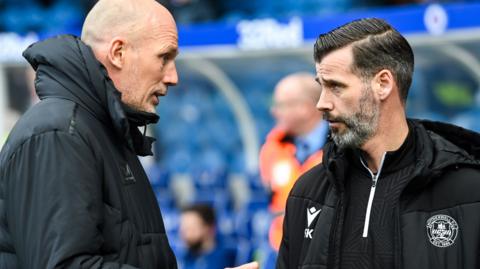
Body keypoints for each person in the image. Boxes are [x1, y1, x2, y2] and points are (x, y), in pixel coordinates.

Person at [0, 1, 259, 268]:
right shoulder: (58, 134)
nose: (173, 77)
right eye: (164, 58)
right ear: (119, 53)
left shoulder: (102, 132)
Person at [276, 18, 480, 269]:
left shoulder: (470, 192)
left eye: (336, 87)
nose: (322, 103)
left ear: (383, 84)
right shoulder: (307, 193)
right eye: (321, 87)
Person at [259, 72, 327, 250]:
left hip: (324, 250)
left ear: (304, 108)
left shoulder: (343, 146)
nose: (274, 111)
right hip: (281, 249)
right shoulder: (271, 148)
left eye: (280, 105)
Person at [178, 204, 235, 269]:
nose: (184, 234)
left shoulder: (227, 257)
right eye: (183, 229)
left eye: (190, 228)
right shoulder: (185, 256)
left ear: (210, 229)